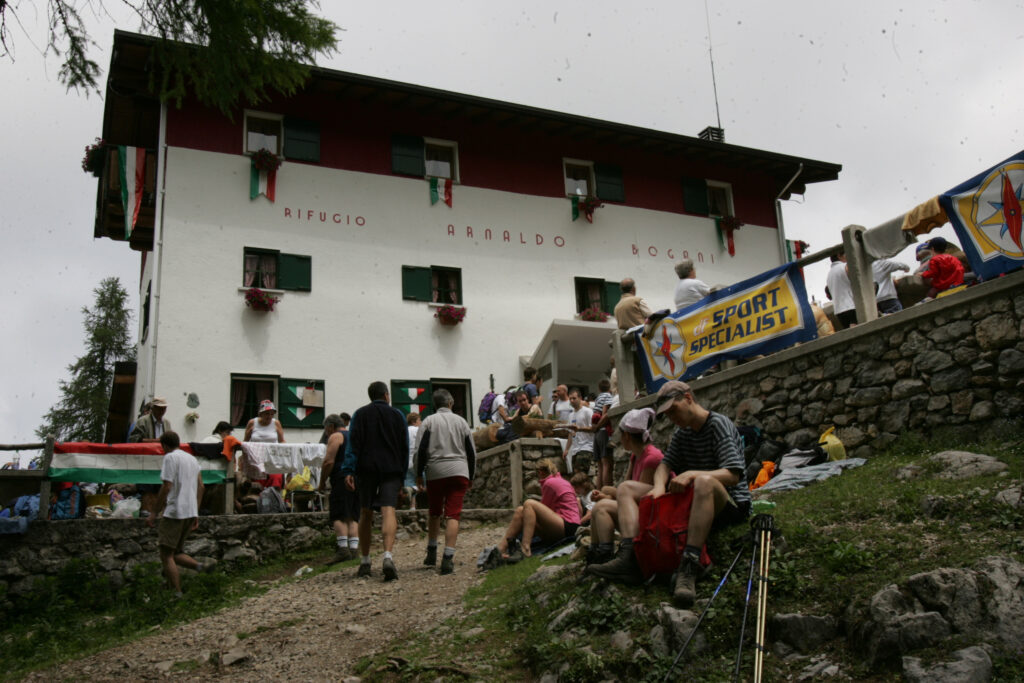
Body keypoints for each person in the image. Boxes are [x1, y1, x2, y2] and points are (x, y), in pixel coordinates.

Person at [587, 381, 751, 608]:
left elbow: (733, 474)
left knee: (704, 482)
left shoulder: (718, 425)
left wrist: (693, 474)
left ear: (688, 398)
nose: (672, 418)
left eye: (673, 410)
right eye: (668, 414)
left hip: (729, 503)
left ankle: (690, 565)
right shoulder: (682, 433)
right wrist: (658, 487)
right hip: (694, 500)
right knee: (626, 488)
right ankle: (631, 556)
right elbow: (665, 465)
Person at [342, 381, 408, 581]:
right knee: (388, 509)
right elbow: (405, 446)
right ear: (386, 395)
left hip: (366, 468)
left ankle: (365, 560)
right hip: (391, 468)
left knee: (365, 512)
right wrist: (403, 476)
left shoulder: (359, 415)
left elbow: (353, 444)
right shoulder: (397, 415)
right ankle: (387, 556)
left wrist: (348, 470)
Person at [586, 408, 663, 565]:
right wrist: (606, 496)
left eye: (620, 434)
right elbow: (625, 491)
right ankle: (597, 554)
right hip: (636, 511)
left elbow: (640, 501)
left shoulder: (651, 459)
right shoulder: (636, 456)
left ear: (627, 435)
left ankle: (607, 555)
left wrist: (606, 498)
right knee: (602, 500)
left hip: (650, 518)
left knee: (601, 508)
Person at [414, 389, 477, 575]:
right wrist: (471, 475)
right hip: (459, 470)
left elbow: (420, 450)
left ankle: (432, 551)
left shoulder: (428, 422)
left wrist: (418, 473)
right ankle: (448, 558)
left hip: (435, 471)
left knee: (434, 512)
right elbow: (471, 452)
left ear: (435, 405)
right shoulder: (462, 422)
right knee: (453, 515)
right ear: (450, 403)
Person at [148, 431, 214, 597]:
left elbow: (167, 486)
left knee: (166, 554)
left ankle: (176, 594)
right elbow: (201, 486)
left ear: (164, 445)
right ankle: (200, 567)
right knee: (176, 552)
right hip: (190, 511)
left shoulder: (170, 458)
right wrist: (196, 512)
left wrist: (154, 512)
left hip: (175, 511)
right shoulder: (192, 459)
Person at [495, 458, 581, 560]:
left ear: (540, 472)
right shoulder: (562, 481)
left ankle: (525, 547)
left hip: (567, 526)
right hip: (571, 525)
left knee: (529, 504)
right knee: (520, 510)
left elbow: (543, 509)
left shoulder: (550, 483)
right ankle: (501, 549)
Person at [319, 414, 359, 565]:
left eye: (326, 429)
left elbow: (329, 461)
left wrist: (322, 481)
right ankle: (354, 549)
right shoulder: (354, 435)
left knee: (338, 514)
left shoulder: (336, 436)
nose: (326, 433)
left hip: (341, 478)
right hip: (356, 477)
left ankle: (343, 549)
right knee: (353, 515)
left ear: (330, 426)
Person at [244, 399, 286, 489]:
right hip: (256, 458)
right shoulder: (252, 423)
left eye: (272, 413)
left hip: (273, 457)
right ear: (261, 414)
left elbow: (282, 440)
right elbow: (245, 442)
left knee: (276, 478)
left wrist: (285, 451)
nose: (269, 416)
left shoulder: (276, 423)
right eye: (267, 413)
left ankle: (274, 498)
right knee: (258, 482)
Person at [564, 389, 594, 475]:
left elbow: (593, 428)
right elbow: (570, 433)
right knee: (576, 475)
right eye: (570, 399)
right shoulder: (570, 415)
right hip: (575, 449)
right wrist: (566, 449)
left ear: (580, 398)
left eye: (574, 398)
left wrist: (579, 429)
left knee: (579, 474)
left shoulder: (587, 411)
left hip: (586, 447)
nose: (572, 401)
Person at [825, 252, 856, 328]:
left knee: (850, 335)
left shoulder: (829, 274)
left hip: (838, 311)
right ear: (839, 255)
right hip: (851, 306)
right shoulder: (845, 266)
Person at [405, 413, 421, 510]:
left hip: (406, 462)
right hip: (417, 461)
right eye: (419, 420)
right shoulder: (418, 430)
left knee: (409, 484)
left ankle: (412, 506)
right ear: (414, 421)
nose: (421, 422)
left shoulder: (404, 431)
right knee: (425, 483)